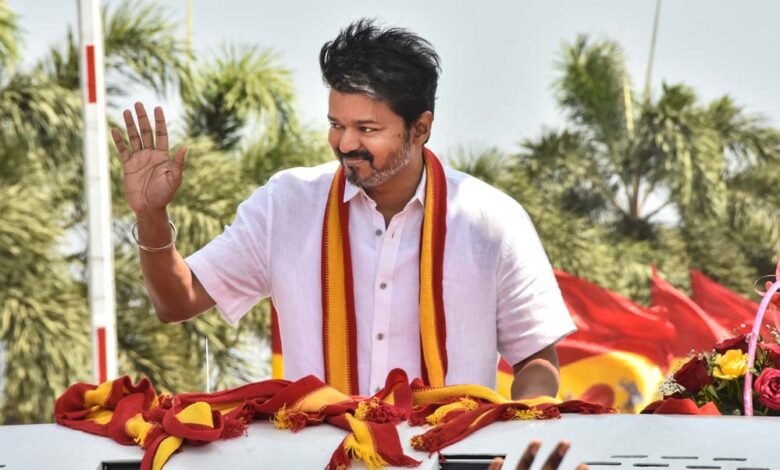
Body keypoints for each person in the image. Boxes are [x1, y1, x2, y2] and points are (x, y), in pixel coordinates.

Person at [111, 19, 576, 400]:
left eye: (367, 129)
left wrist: (514, 438)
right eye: (336, 124)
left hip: (445, 457)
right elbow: (176, 301)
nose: (345, 143)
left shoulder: (491, 220)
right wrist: (151, 215)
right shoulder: (286, 205)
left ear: (420, 128)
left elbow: (536, 361)